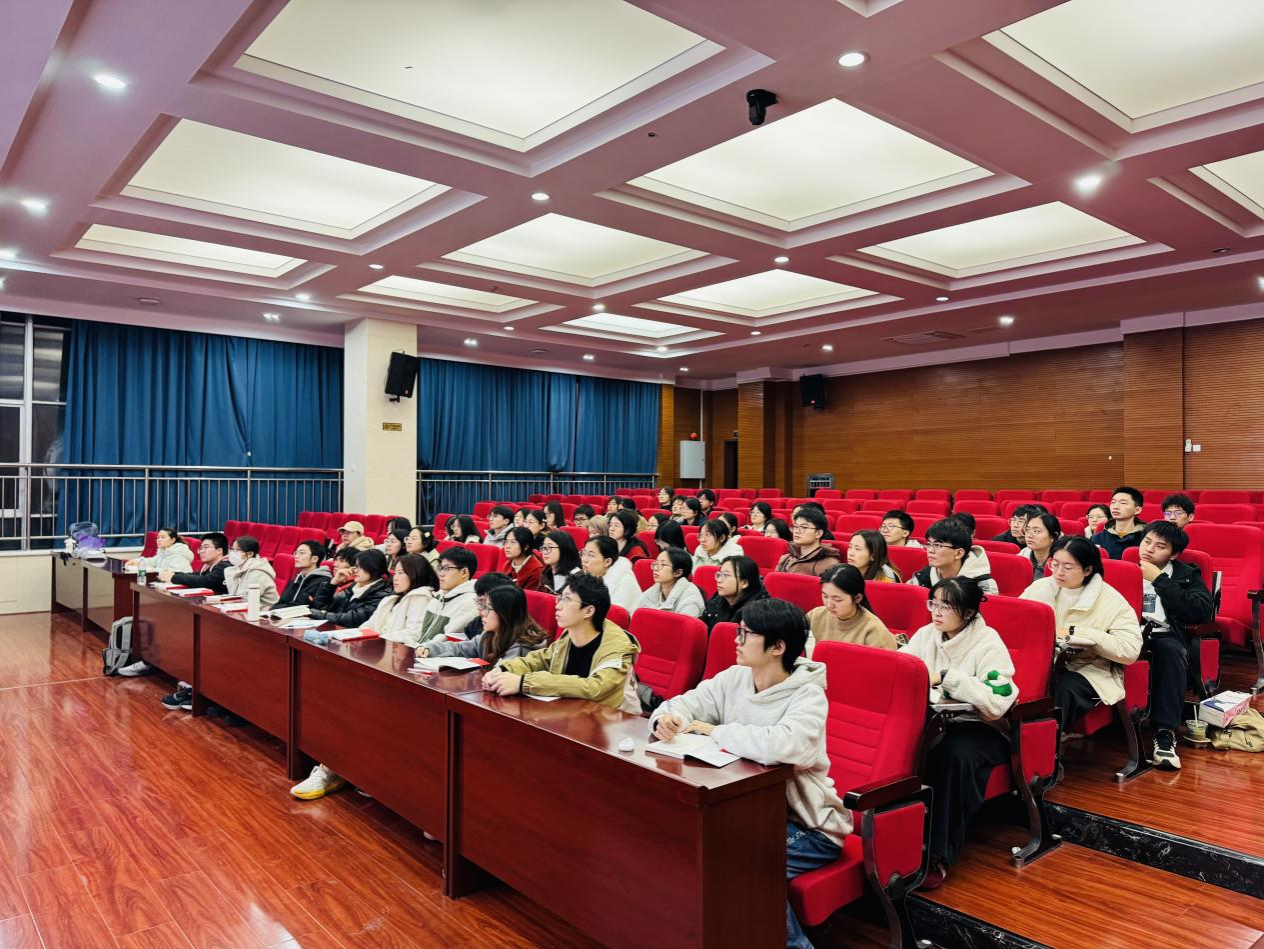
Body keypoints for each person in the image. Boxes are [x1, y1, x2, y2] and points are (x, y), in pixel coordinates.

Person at [649, 598, 851, 949]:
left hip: (809, 826)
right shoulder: (735, 677)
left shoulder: (808, 695)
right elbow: (683, 703)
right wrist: (667, 719)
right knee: (683, 846)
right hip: (746, 812)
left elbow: (783, 746)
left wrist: (716, 731)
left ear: (778, 647)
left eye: (745, 634)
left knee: (741, 866)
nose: (736, 640)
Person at [901, 577, 1018, 890]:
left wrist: (947, 677)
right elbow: (905, 670)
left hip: (980, 727)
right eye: (933, 603)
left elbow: (998, 700)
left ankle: (938, 854)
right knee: (903, 748)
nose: (936, 612)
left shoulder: (988, 642)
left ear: (967, 612)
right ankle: (897, 844)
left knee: (951, 757)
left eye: (946, 606)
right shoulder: (926, 634)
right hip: (933, 721)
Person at [1020, 536, 1141, 731]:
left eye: (1068, 567)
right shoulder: (1039, 588)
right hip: (1039, 663)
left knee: (1062, 689)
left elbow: (1129, 650)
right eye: (1054, 564)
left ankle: (1041, 742)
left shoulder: (1111, 600)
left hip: (1086, 669)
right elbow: (1017, 626)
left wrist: (1079, 633)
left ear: (1087, 570)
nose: (1058, 572)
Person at [484, 573, 640, 712]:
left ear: (588, 611)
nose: (557, 605)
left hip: (611, 723)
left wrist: (523, 683)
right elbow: (541, 659)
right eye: (559, 598)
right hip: (572, 715)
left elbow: (594, 687)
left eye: (566, 599)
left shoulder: (618, 646)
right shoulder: (570, 634)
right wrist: (502, 670)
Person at [1135, 522, 1214, 770]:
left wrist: (1159, 580)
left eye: (1160, 546)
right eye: (1147, 542)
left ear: (1174, 554)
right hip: (1125, 633)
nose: (1149, 549)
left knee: (1172, 652)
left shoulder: (1186, 574)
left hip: (1162, 635)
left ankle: (1165, 733)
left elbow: (1202, 611)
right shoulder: (1125, 569)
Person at [418, 583, 548, 664]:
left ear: (505, 613)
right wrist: (430, 649)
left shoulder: (523, 647)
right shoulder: (492, 634)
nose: (483, 613)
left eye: (489, 608)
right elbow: (462, 648)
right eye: (484, 607)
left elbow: (501, 676)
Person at [806, 564, 899, 655]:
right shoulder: (815, 615)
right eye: (825, 596)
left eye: (837, 599)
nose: (829, 605)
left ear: (857, 598)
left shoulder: (874, 631)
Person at [357, 553, 439, 645]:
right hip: (378, 647)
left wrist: (378, 640)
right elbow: (370, 624)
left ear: (416, 574)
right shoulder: (391, 599)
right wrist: (356, 635)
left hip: (393, 649)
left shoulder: (421, 597)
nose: (395, 578)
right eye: (395, 573)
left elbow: (412, 633)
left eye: (401, 573)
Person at [907, 518, 998, 595]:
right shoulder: (922, 577)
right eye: (928, 544)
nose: (930, 550)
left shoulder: (983, 586)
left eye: (938, 545)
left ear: (959, 553)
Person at [309, 548, 389, 627]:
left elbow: (350, 619)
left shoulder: (381, 594)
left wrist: (311, 612)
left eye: (360, 567)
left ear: (373, 569)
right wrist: (333, 583)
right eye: (356, 566)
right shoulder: (353, 588)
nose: (355, 570)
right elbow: (321, 608)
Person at [418, 546, 480, 642]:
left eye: (447, 568)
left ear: (464, 572)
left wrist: (420, 647)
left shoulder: (470, 603)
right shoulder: (438, 597)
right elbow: (417, 630)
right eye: (441, 568)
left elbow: (446, 638)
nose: (441, 573)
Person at [700, 555, 769, 630]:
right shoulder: (717, 601)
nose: (719, 580)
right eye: (719, 575)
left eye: (726, 575)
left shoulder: (757, 613)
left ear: (744, 583)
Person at [581, 535, 641, 614]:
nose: (584, 559)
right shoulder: (585, 575)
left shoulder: (625, 582)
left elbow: (614, 616)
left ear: (607, 562)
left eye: (591, 555)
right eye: (583, 553)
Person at [637, 547, 706, 617]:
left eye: (663, 565)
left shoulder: (691, 598)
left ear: (678, 573)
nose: (656, 568)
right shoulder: (652, 591)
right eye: (656, 564)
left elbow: (684, 623)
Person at [774, 509, 842, 577]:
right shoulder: (785, 558)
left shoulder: (829, 565)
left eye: (804, 527)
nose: (796, 531)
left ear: (818, 533)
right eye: (795, 526)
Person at [159, 531, 229, 593]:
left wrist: (174, 577)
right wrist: (174, 574)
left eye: (206, 547)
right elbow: (196, 575)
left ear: (219, 550)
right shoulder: (209, 567)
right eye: (201, 548)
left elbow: (205, 581)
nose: (201, 551)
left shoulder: (224, 566)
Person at [223, 535, 280, 609]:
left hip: (265, 612)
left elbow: (246, 599)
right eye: (232, 549)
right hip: (245, 609)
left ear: (249, 554)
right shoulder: (238, 568)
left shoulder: (258, 571)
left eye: (238, 550)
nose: (233, 553)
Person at [275, 539, 333, 610]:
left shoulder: (323, 582)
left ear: (314, 559)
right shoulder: (297, 578)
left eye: (301, 553)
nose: (296, 556)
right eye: (296, 553)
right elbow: (280, 602)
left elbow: (304, 608)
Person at [1092, 486, 1147, 559]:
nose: (1115, 507)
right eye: (1113, 502)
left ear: (1137, 510)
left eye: (1123, 503)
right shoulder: (1097, 538)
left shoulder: (1147, 537)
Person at [128, 527, 194, 575]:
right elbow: (153, 561)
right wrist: (137, 561)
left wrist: (149, 569)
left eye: (163, 537)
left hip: (179, 586)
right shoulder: (164, 551)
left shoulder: (179, 555)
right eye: (158, 537)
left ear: (172, 540)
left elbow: (171, 573)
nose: (159, 540)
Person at [1019, 513, 1061, 581]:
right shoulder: (1023, 554)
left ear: (1053, 536)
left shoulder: (1062, 561)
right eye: (1027, 530)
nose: (1029, 535)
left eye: (1036, 531)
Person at [501, 526, 544, 591]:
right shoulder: (508, 564)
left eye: (513, 542)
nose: (507, 546)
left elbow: (529, 595)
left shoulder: (536, 571)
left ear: (526, 546)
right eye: (506, 542)